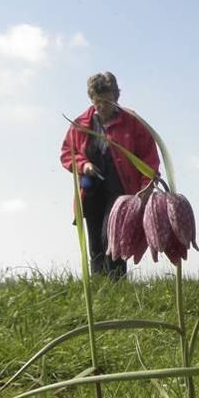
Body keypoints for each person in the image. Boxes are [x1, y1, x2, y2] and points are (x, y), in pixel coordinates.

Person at [60, 71, 160, 278]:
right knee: (95, 237)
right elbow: (66, 154)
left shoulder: (133, 123)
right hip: (92, 186)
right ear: (91, 99)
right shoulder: (80, 124)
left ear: (116, 96)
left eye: (108, 101)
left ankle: (117, 282)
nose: (103, 107)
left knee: (113, 233)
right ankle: (99, 285)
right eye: (98, 102)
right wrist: (84, 165)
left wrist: (145, 186)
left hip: (121, 187)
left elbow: (149, 157)